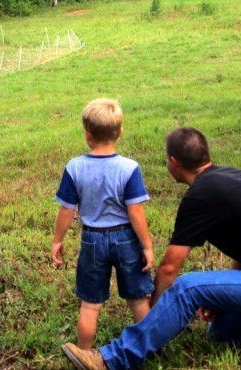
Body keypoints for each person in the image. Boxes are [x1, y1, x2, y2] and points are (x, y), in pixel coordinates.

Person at [61, 127, 241, 370]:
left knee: (188, 287)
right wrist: (226, 295)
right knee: (220, 331)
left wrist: (155, 316)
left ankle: (112, 360)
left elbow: (170, 268)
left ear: (173, 162)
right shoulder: (231, 175)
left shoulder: (200, 196)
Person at [52, 98, 155, 353]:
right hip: (126, 239)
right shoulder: (129, 168)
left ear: (87, 135)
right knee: (138, 299)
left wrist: (57, 240)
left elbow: (67, 209)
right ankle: (150, 348)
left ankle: (84, 353)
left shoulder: (74, 167)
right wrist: (147, 246)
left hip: (92, 240)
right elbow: (135, 211)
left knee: (90, 304)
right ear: (119, 131)